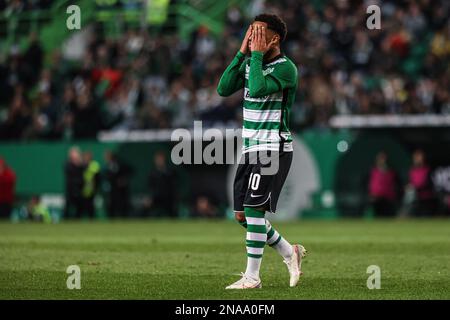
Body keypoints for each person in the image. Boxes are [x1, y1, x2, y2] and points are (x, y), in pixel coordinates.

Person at [217, 14, 306, 290]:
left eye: (258, 33)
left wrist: (254, 57)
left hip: (273, 148)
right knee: (243, 216)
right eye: (250, 32)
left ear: (274, 39)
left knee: (254, 209)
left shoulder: (285, 68)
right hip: (250, 148)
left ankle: (252, 277)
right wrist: (242, 51)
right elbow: (223, 89)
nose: (253, 37)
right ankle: (290, 252)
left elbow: (256, 88)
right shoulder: (250, 61)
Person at [368, 152, 399, 216]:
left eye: (383, 158)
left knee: (388, 216)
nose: (382, 160)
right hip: (376, 199)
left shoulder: (392, 171)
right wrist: (369, 195)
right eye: (380, 159)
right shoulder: (372, 171)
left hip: (388, 199)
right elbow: (367, 184)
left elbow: (398, 184)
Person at [407, 149, 437, 216]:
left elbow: (431, 184)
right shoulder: (412, 171)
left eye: (419, 157)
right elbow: (410, 183)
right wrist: (409, 187)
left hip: (427, 199)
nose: (417, 159)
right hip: (415, 200)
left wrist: (417, 187)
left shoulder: (428, 169)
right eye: (415, 158)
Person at [148, 151, 177, 217]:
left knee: (172, 214)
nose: (159, 161)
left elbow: (174, 185)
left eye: (161, 159)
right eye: (157, 159)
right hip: (156, 197)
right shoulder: (152, 173)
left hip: (169, 197)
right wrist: (150, 197)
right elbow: (150, 186)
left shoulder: (170, 172)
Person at [103, 151, 132, 218]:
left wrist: (124, 179)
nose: (106, 158)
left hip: (121, 191)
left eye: (108, 156)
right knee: (111, 208)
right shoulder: (107, 166)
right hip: (112, 191)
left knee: (122, 208)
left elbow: (130, 171)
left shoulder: (121, 164)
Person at [64, 147, 84, 218]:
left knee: (79, 207)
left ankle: (78, 219)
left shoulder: (82, 165)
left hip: (79, 189)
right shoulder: (67, 164)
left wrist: (79, 163)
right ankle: (65, 219)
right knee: (68, 206)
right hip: (70, 189)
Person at [81, 151, 101, 219]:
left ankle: (91, 219)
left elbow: (97, 177)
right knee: (82, 206)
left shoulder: (94, 164)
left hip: (91, 189)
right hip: (83, 189)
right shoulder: (82, 165)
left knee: (91, 206)